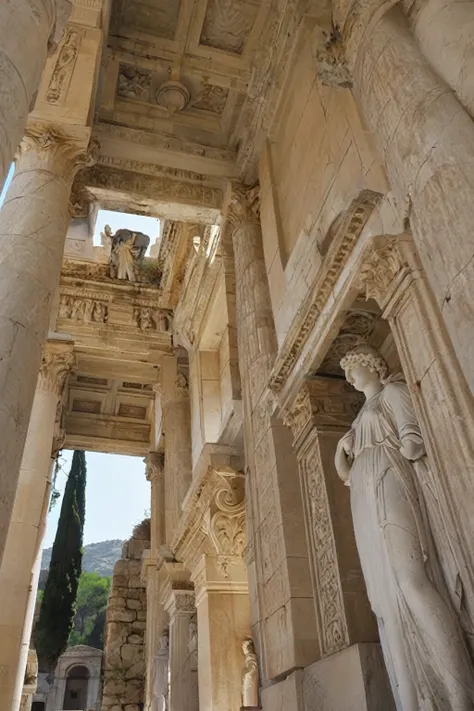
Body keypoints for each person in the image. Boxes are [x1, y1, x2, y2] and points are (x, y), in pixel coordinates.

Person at [335, 344, 474, 710]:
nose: (350, 377)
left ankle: (460, 692)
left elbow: (412, 442)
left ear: (373, 365)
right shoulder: (359, 417)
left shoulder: (393, 393)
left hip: (389, 479)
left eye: (354, 368)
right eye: (346, 373)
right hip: (363, 494)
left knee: (412, 581)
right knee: (385, 604)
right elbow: (346, 476)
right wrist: (342, 450)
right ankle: (412, 699)